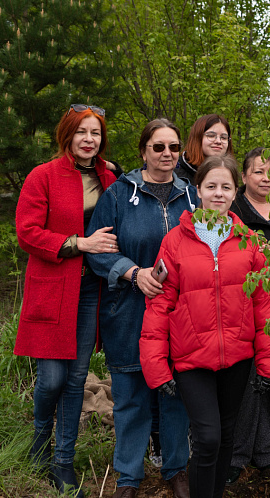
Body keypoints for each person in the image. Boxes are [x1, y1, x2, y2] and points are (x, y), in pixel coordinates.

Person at [141, 155, 270, 498]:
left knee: (227, 435)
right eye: (211, 186)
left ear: (235, 192)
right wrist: (157, 368)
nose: (218, 193)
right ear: (198, 189)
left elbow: (265, 305)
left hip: (237, 356)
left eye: (226, 187)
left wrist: (267, 363)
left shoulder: (251, 241)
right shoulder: (174, 242)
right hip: (191, 358)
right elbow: (159, 306)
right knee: (208, 437)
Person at [85, 119, 194, 498]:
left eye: (173, 148)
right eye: (159, 147)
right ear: (144, 150)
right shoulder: (118, 195)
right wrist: (132, 273)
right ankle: (129, 475)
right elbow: (98, 252)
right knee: (130, 395)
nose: (167, 154)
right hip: (128, 309)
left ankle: (175, 467)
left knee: (176, 393)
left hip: (180, 313)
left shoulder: (192, 196)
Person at [14, 104, 119, 497]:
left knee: (76, 379)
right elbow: (27, 233)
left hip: (91, 289)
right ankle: (40, 440)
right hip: (53, 286)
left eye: (95, 133)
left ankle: (62, 459)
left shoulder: (110, 177)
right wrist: (78, 243)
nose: (89, 139)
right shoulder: (43, 176)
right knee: (52, 379)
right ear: (68, 135)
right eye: (82, 132)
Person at [226, 148, 270, 483]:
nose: (267, 178)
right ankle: (237, 454)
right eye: (259, 172)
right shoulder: (234, 211)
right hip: (245, 310)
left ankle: (265, 452)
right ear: (245, 177)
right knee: (247, 383)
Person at [175, 113, 233, 184]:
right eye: (211, 136)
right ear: (197, 138)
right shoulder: (175, 173)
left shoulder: (229, 174)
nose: (218, 141)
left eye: (224, 137)